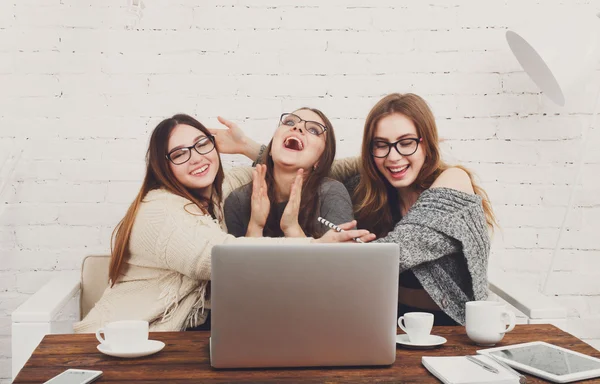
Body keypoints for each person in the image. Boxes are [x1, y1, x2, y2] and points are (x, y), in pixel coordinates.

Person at [212, 94, 496, 326]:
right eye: (381, 145)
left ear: (427, 142)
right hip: (384, 325)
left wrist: (307, 239)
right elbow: (308, 166)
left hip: (451, 328)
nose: (393, 156)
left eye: (406, 143)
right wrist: (253, 150)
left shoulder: (453, 181)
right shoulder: (365, 191)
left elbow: (392, 254)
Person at [74, 114, 373, 333]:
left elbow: (297, 167)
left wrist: (383, 155)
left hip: (179, 340)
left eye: (202, 144)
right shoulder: (159, 210)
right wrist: (317, 246)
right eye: (179, 153)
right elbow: (222, 257)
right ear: (162, 166)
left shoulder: (223, 186)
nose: (195, 158)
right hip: (115, 342)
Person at [222, 108, 354, 239]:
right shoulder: (239, 200)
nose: (298, 127)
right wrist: (255, 226)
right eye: (290, 122)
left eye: (314, 130)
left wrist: (292, 228)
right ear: (270, 149)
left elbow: (344, 259)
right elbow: (239, 260)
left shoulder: (331, 193)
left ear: (320, 160)